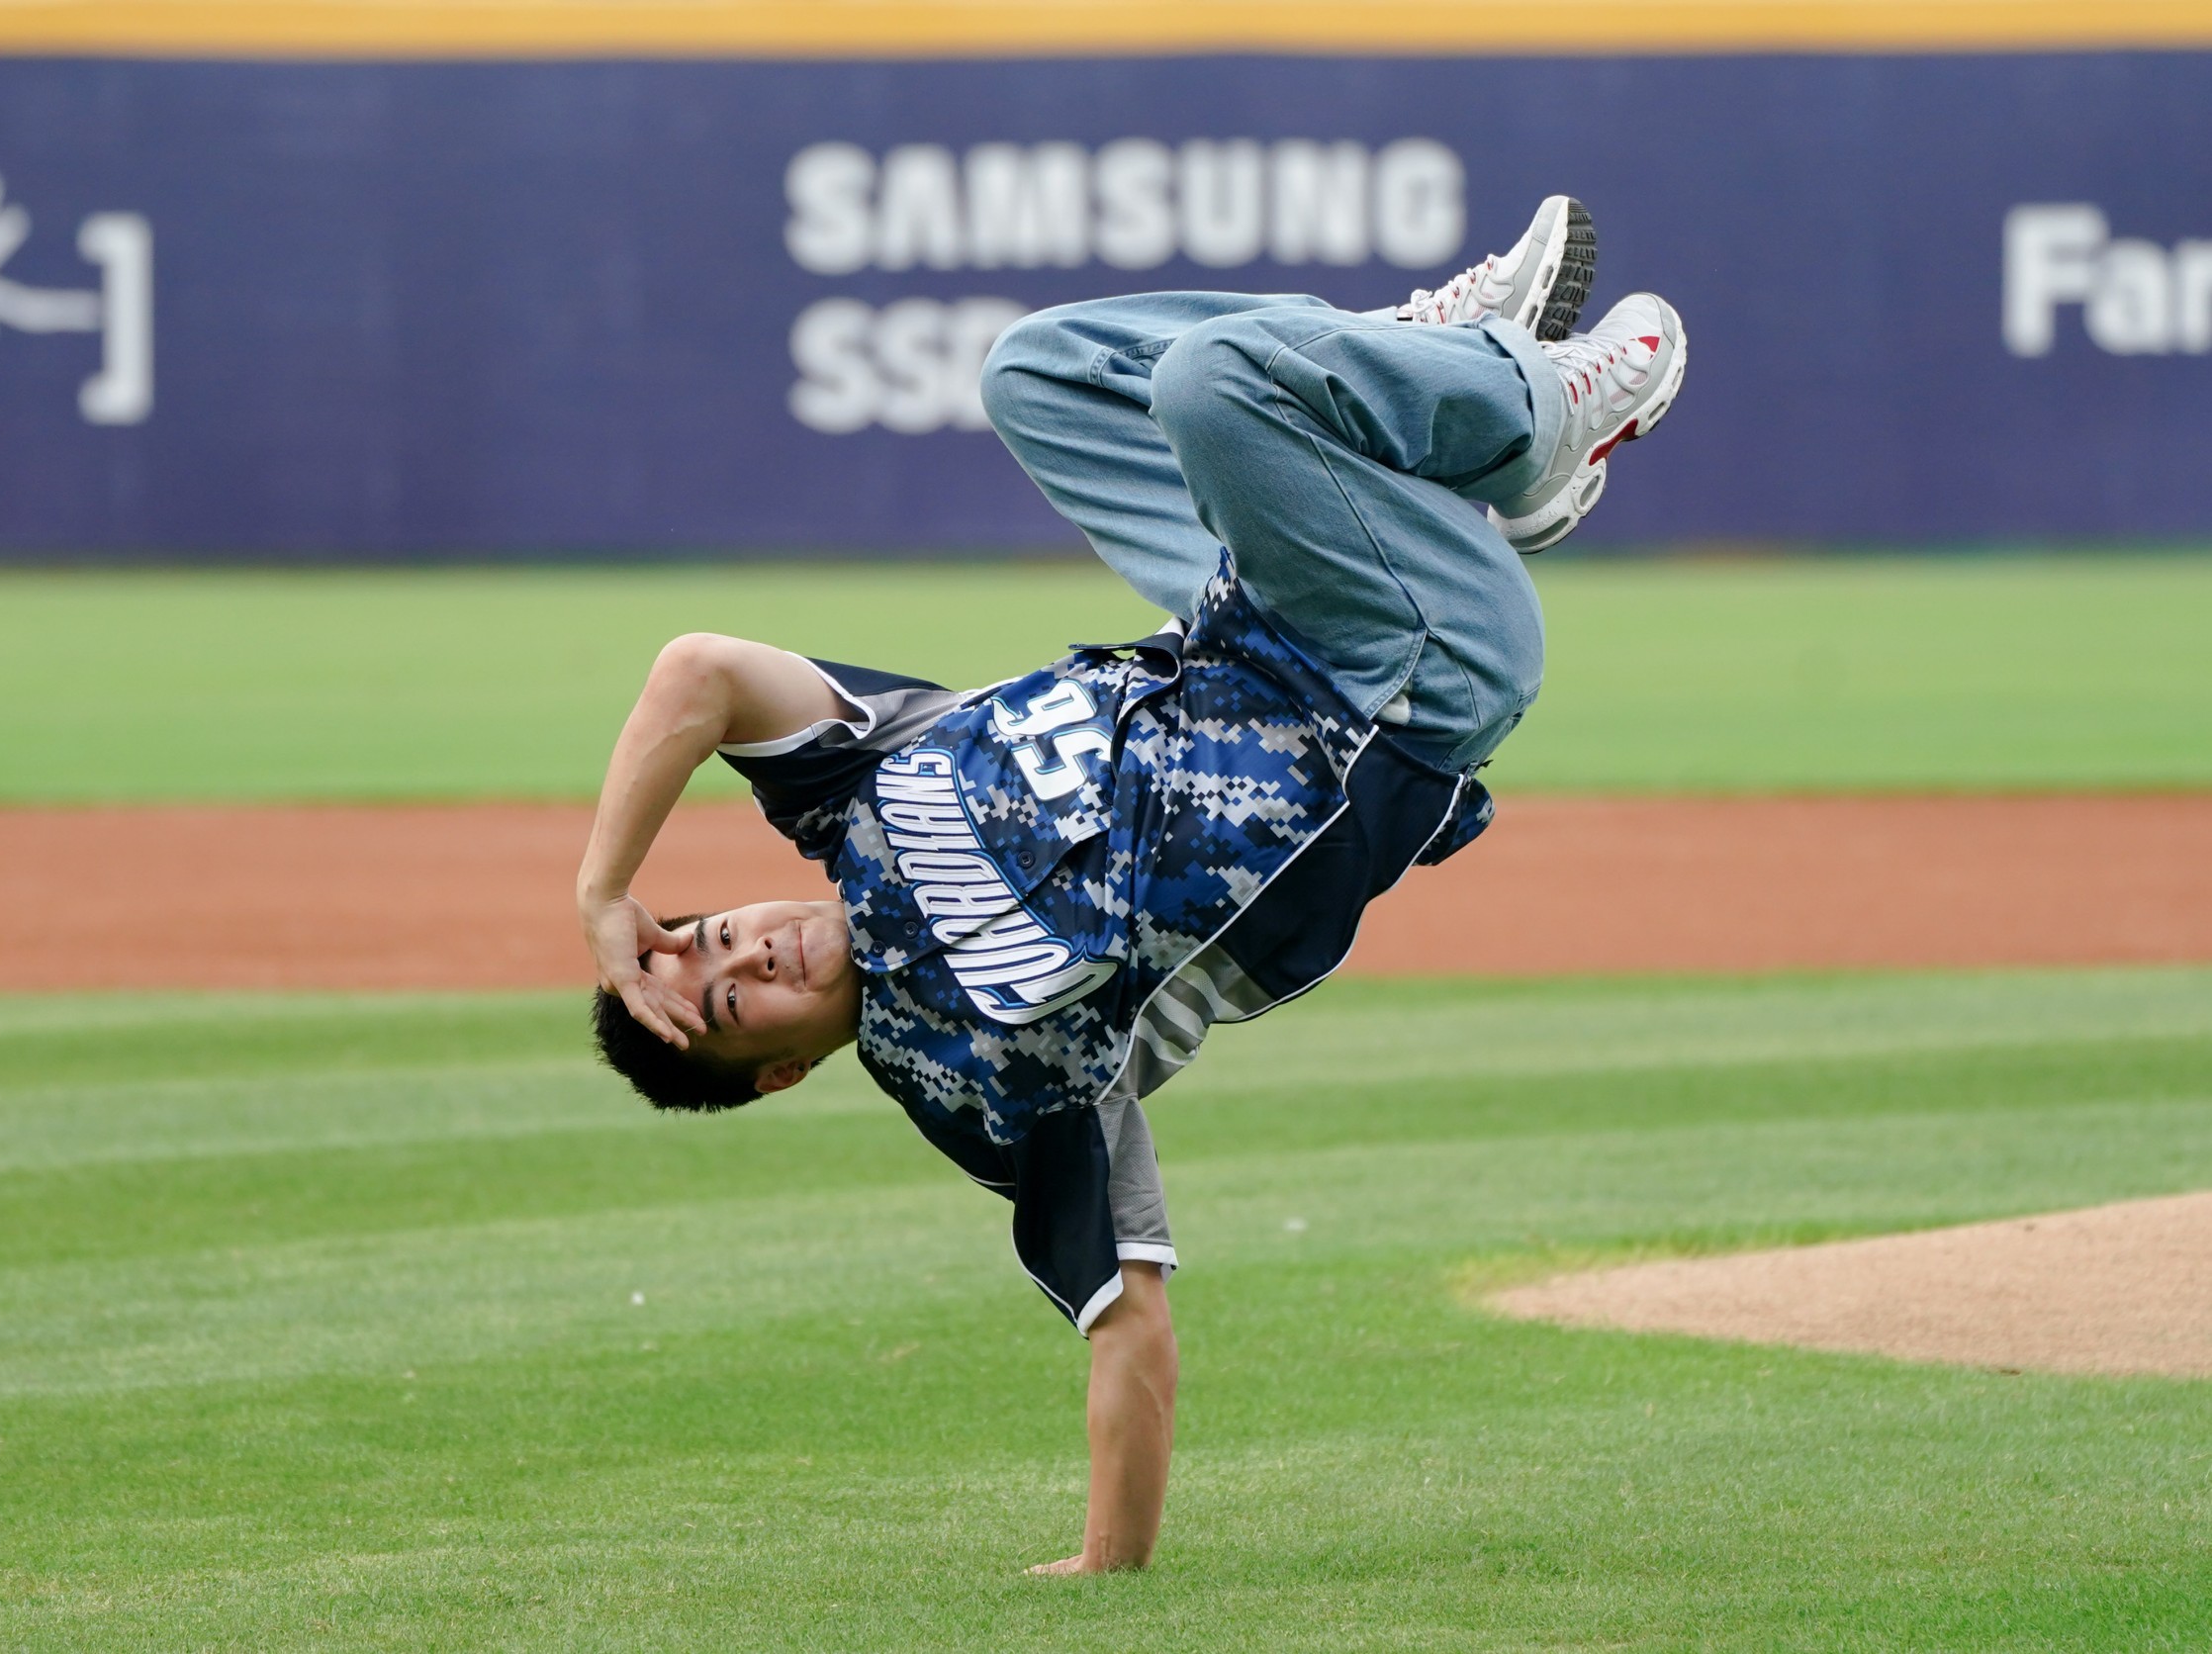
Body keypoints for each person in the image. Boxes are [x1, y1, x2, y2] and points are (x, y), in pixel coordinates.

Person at [576, 195, 1686, 1574]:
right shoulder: (975, 1076)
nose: (750, 958)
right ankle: (1522, 414)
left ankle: (1434, 387)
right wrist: (1111, 1566)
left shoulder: (845, 795)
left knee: (1033, 373)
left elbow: (696, 672)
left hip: (1249, 610)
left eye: (714, 935)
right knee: (1211, 382)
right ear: (779, 1075)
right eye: (736, 1004)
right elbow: (1126, 1317)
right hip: (1402, 684)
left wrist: (608, 895)